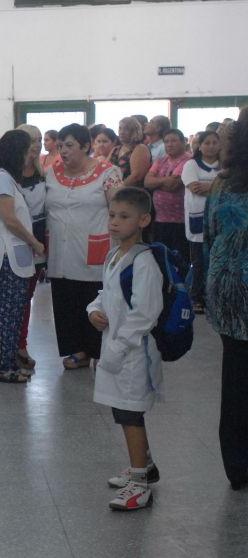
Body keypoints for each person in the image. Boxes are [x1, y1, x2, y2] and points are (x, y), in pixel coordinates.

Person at [86, 187, 163, 511]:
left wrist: (116, 351)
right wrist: (94, 310)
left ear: (143, 219)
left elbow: (144, 314)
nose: (115, 223)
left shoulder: (144, 263)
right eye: (112, 215)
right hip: (115, 347)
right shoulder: (114, 254)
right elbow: (106, 293)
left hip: (133, 354)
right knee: (121, 410)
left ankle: (140, 485)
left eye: (124, 217)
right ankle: (142, 466)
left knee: (131, 413)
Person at [46, 123, 122, 370]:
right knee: (65, 298)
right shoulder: (52, 172)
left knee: (92, 298)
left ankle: (97, 349)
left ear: (86, 146)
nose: (63, 151)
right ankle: (77, 349)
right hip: (59, 249)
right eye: (60, 146)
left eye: (69, 145)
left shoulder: (108, 173)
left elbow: (120, 210)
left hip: (94, 248)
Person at [204, 110, 248, 490]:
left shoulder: (222, 184)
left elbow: (210, 234)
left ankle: (238, 465)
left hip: (229, 288)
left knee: (235, 377)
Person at [0, 130, 45, 384]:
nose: (30, 157)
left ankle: (5, 363)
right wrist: (35, 242)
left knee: (13, 310)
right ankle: (3, 367)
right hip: (8, 255)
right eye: (27, 151)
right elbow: (9, 219)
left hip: (14, 254)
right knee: (8, 313)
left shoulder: (6, 178)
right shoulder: (2, 180)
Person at [181, 130, 220, 313]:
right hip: (197, 219)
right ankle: (197, 297)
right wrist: (218, 187)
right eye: (207, 143)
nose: (211, 146)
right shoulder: (191, 165)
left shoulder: (225, 166)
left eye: (214, 143)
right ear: (200, 146)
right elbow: (195, 187)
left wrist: (209, 187)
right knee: (199, 261)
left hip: (220, 219)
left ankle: (215, 297)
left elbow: (230, 188)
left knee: (217, 260)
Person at [144, 129, 192, 262]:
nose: (170, 144)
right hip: (161, 220)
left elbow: (173, 185)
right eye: (166, 141)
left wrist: (157, 181)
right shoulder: (161, 161)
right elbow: (147, 182)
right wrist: (166, 180)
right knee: (161, 258)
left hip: (180, 221)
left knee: (180, 260)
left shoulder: (188, 161)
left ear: (183, 142)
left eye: (174, 141)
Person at [111, 117, 152, 189]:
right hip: (113, 191)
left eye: (126, 129)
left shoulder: (140, 148)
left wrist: (117, 189)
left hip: (132, 194)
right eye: (120, 128)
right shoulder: (116, 149)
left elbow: (136, 176)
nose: (122, 132)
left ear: (135, 131)